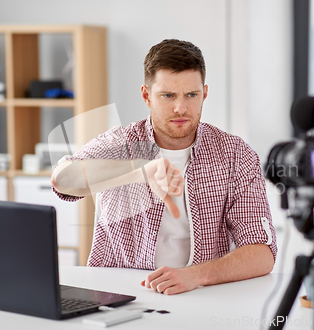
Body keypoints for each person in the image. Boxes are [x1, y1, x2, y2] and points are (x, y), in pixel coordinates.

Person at [51, 39, 277, 295]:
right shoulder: (120, 142)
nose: (181, 108)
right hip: (120, 292)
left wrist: (195, 276)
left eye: (191, 95)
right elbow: (62, 180)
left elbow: (262, 253)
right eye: (168, 95)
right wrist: (139, 170)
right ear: (147, 96)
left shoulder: (235, 154)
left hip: (203, 292)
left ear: (204, 93)